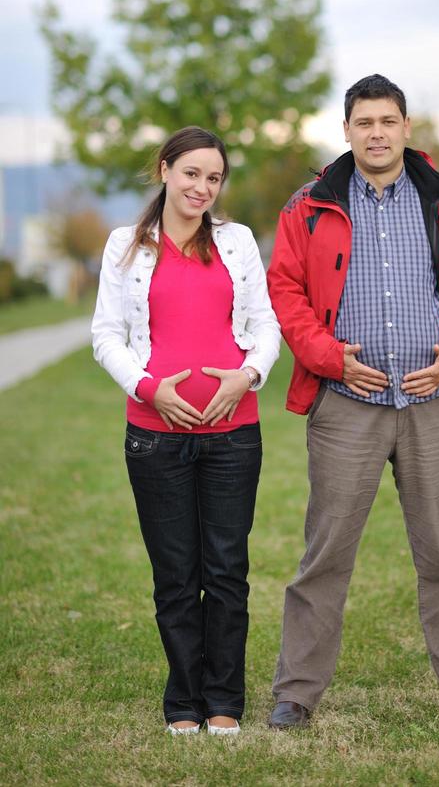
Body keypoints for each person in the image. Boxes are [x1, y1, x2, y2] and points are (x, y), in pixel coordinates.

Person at [266, 74, 439, 729]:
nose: (376, 132)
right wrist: (325, 356)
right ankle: (295, 693)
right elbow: (284, 288)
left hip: (432, 402)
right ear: (345, 130)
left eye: (388, 121)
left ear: (406, 128)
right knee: (325, 555)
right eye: (364, 122)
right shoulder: (311, 205)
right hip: (347, 401)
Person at [92, 126, 280, 736]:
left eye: (214, 177)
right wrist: (151, 389)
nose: (202, 187)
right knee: (176, 576)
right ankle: (183, 703)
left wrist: (246, 375)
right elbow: (106, 336)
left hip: (234, 432)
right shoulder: (127, 245)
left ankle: (224, 702)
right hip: (154, 436)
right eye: (192, 173)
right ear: (165, 170)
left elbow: (265, 324)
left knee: (226, 571)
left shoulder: (237, 241)